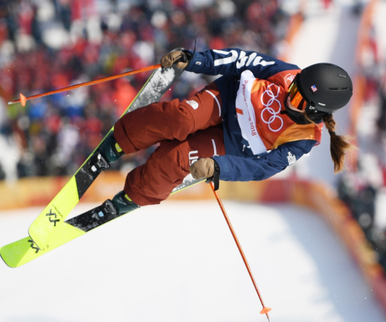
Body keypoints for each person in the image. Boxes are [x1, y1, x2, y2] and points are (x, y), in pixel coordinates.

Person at [95, 48, 354, 212]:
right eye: (294, 87)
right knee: (182, 119)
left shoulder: (302, 139)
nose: (289, 97)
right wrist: (195, 60)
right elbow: (241, 59)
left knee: (176, 159)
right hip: (230, 97)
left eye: (297, 100)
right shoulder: (285, 73)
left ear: (314, 113)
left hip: (234, 143)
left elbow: (264, 167)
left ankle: (135, 195)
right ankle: (121, 140)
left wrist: (219, 167)